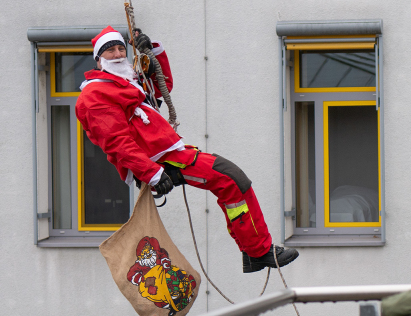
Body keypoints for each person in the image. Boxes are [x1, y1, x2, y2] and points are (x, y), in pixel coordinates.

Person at [75, 26, 298, 273]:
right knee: (231, 179)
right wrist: (152, 173)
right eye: (109, 51)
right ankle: (258, 252)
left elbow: (162, 86)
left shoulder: (125, 82)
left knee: (231, 182)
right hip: (159, 162)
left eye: (120, 48)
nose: (117, 54)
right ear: (98, 59)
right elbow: (117, 142)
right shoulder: (95, 95)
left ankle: (253, 250)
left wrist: (152, 51)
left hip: (167, 155)